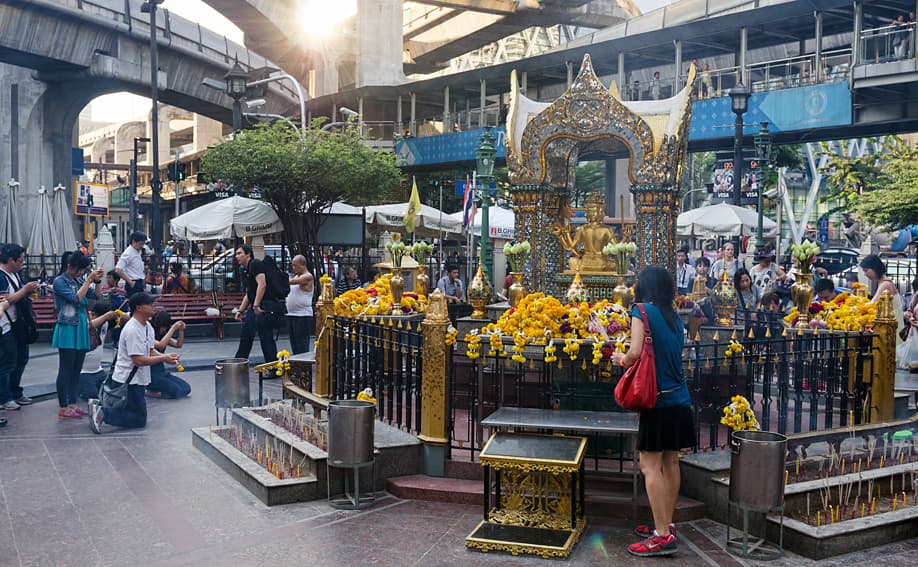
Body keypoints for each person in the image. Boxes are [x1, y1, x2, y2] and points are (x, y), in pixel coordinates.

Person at [611, 266, 693, 557]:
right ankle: (666, 524)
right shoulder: (675, 319)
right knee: (671, 463)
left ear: (643, 287)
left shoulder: (641, 310)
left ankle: (661, 535)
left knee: (649, 466)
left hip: (657, 402)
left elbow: (634, 353)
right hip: (680, 400)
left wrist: (620, 358)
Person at [89, 293, 179, 433]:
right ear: (139, 308)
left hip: (138, 379)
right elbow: (138, 360)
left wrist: (166, 356)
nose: (152, 306)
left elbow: (150, 350)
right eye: (149, 304)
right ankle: (103, 413)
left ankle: (102, 409)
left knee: (137, 416)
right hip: (128, 380)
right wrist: (163, 358)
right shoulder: (132, 329)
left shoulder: (147, 326)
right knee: (139, 419)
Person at [52, 251, 105, 419]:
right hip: (67, 327)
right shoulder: (60, 282)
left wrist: (96, 281)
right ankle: (63, 405)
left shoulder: (79, 280)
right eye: (79, 269)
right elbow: (75, 299)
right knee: (66, 368)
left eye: (83, 270)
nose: (81, 273)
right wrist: (88, 280)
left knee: (76, 369)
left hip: (80, 326)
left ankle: (72, 404)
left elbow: (95, 296)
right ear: (70, 266)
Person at [0, 243, 40, 411]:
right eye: (21, 260)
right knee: (7, 363)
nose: (22, 263)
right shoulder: (1, 276)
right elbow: (4, 301)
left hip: (18, 325)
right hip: (6, 326)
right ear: (11, 260)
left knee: (21, 360)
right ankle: (5, 397)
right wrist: (24, 291)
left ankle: (16, 392)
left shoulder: (15, 274)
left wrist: (27, 291)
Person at [233, 245, 278, 363]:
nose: (236, 256)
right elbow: (249, 293)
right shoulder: (245, 270)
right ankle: (238, 364)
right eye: (236, 254)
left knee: (266, 338)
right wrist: (240, 310)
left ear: (248, 254)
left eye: (239, 253)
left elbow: (262, 284)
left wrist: (256, 305)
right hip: (255, 308)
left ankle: (272, 366)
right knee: (246, 336)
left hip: (264, 307)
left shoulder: (255, 264)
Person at [78, 300, 120, 401]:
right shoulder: (84, 322)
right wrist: (106, 316)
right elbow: (88, 325)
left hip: (98, 370)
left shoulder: (104, 324)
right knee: (92, 395)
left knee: (108, 394)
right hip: (83, 372)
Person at [861, 254, 905, 344]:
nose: (865, 274)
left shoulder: (885, 284)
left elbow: (873, 304)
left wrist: (856, 307)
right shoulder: (883, 282)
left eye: (866, 271)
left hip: (891, 327)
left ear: (875, 268)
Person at [147, 311, 191, 399]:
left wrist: (181, 330)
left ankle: (158, 390)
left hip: (161, 371)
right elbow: (161, 345)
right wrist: (173, 328)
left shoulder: (163, 335)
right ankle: (149, 390)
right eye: (163, 327)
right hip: (150, 372)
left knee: (186, 388)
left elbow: (178, 345)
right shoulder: (148, 334)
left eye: (166, 327)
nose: (164, 329)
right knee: (176, 391)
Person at [286, 255, 315, 355]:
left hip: (302, 315)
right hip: (292, 314)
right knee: (294, 344)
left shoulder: (307, 276)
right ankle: (297, 367)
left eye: (295, 266)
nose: (293, 268)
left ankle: (303, 368)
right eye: (292, 266)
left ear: (303, 265)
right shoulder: (296, 275)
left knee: (301, 344)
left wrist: (280, 278)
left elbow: (293, 282)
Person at [115, 231, 147, 296]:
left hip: (139, 281)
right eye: (140, 244)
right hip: (133, 282)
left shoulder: (137, 252)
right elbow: (118, 269)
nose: (142, 246)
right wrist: (130, 281)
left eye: (143, 244)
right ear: (134, 242)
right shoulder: (128, 253)